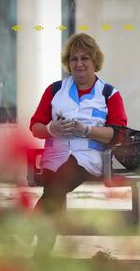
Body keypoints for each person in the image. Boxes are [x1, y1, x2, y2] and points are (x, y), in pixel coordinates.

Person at [29, 33, 127, 258]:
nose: (79, 64)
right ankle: (41, 252)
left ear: (95, 61)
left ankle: (36, 238)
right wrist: (51, 129)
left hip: (88, 159)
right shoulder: (54, 91)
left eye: (84, 58)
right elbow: (35, 127)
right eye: (74, 59)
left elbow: (118, 134)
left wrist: (86, 130)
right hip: (55, 156)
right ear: (68, 62)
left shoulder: (109, 94)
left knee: (56, 184)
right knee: (55, 186)